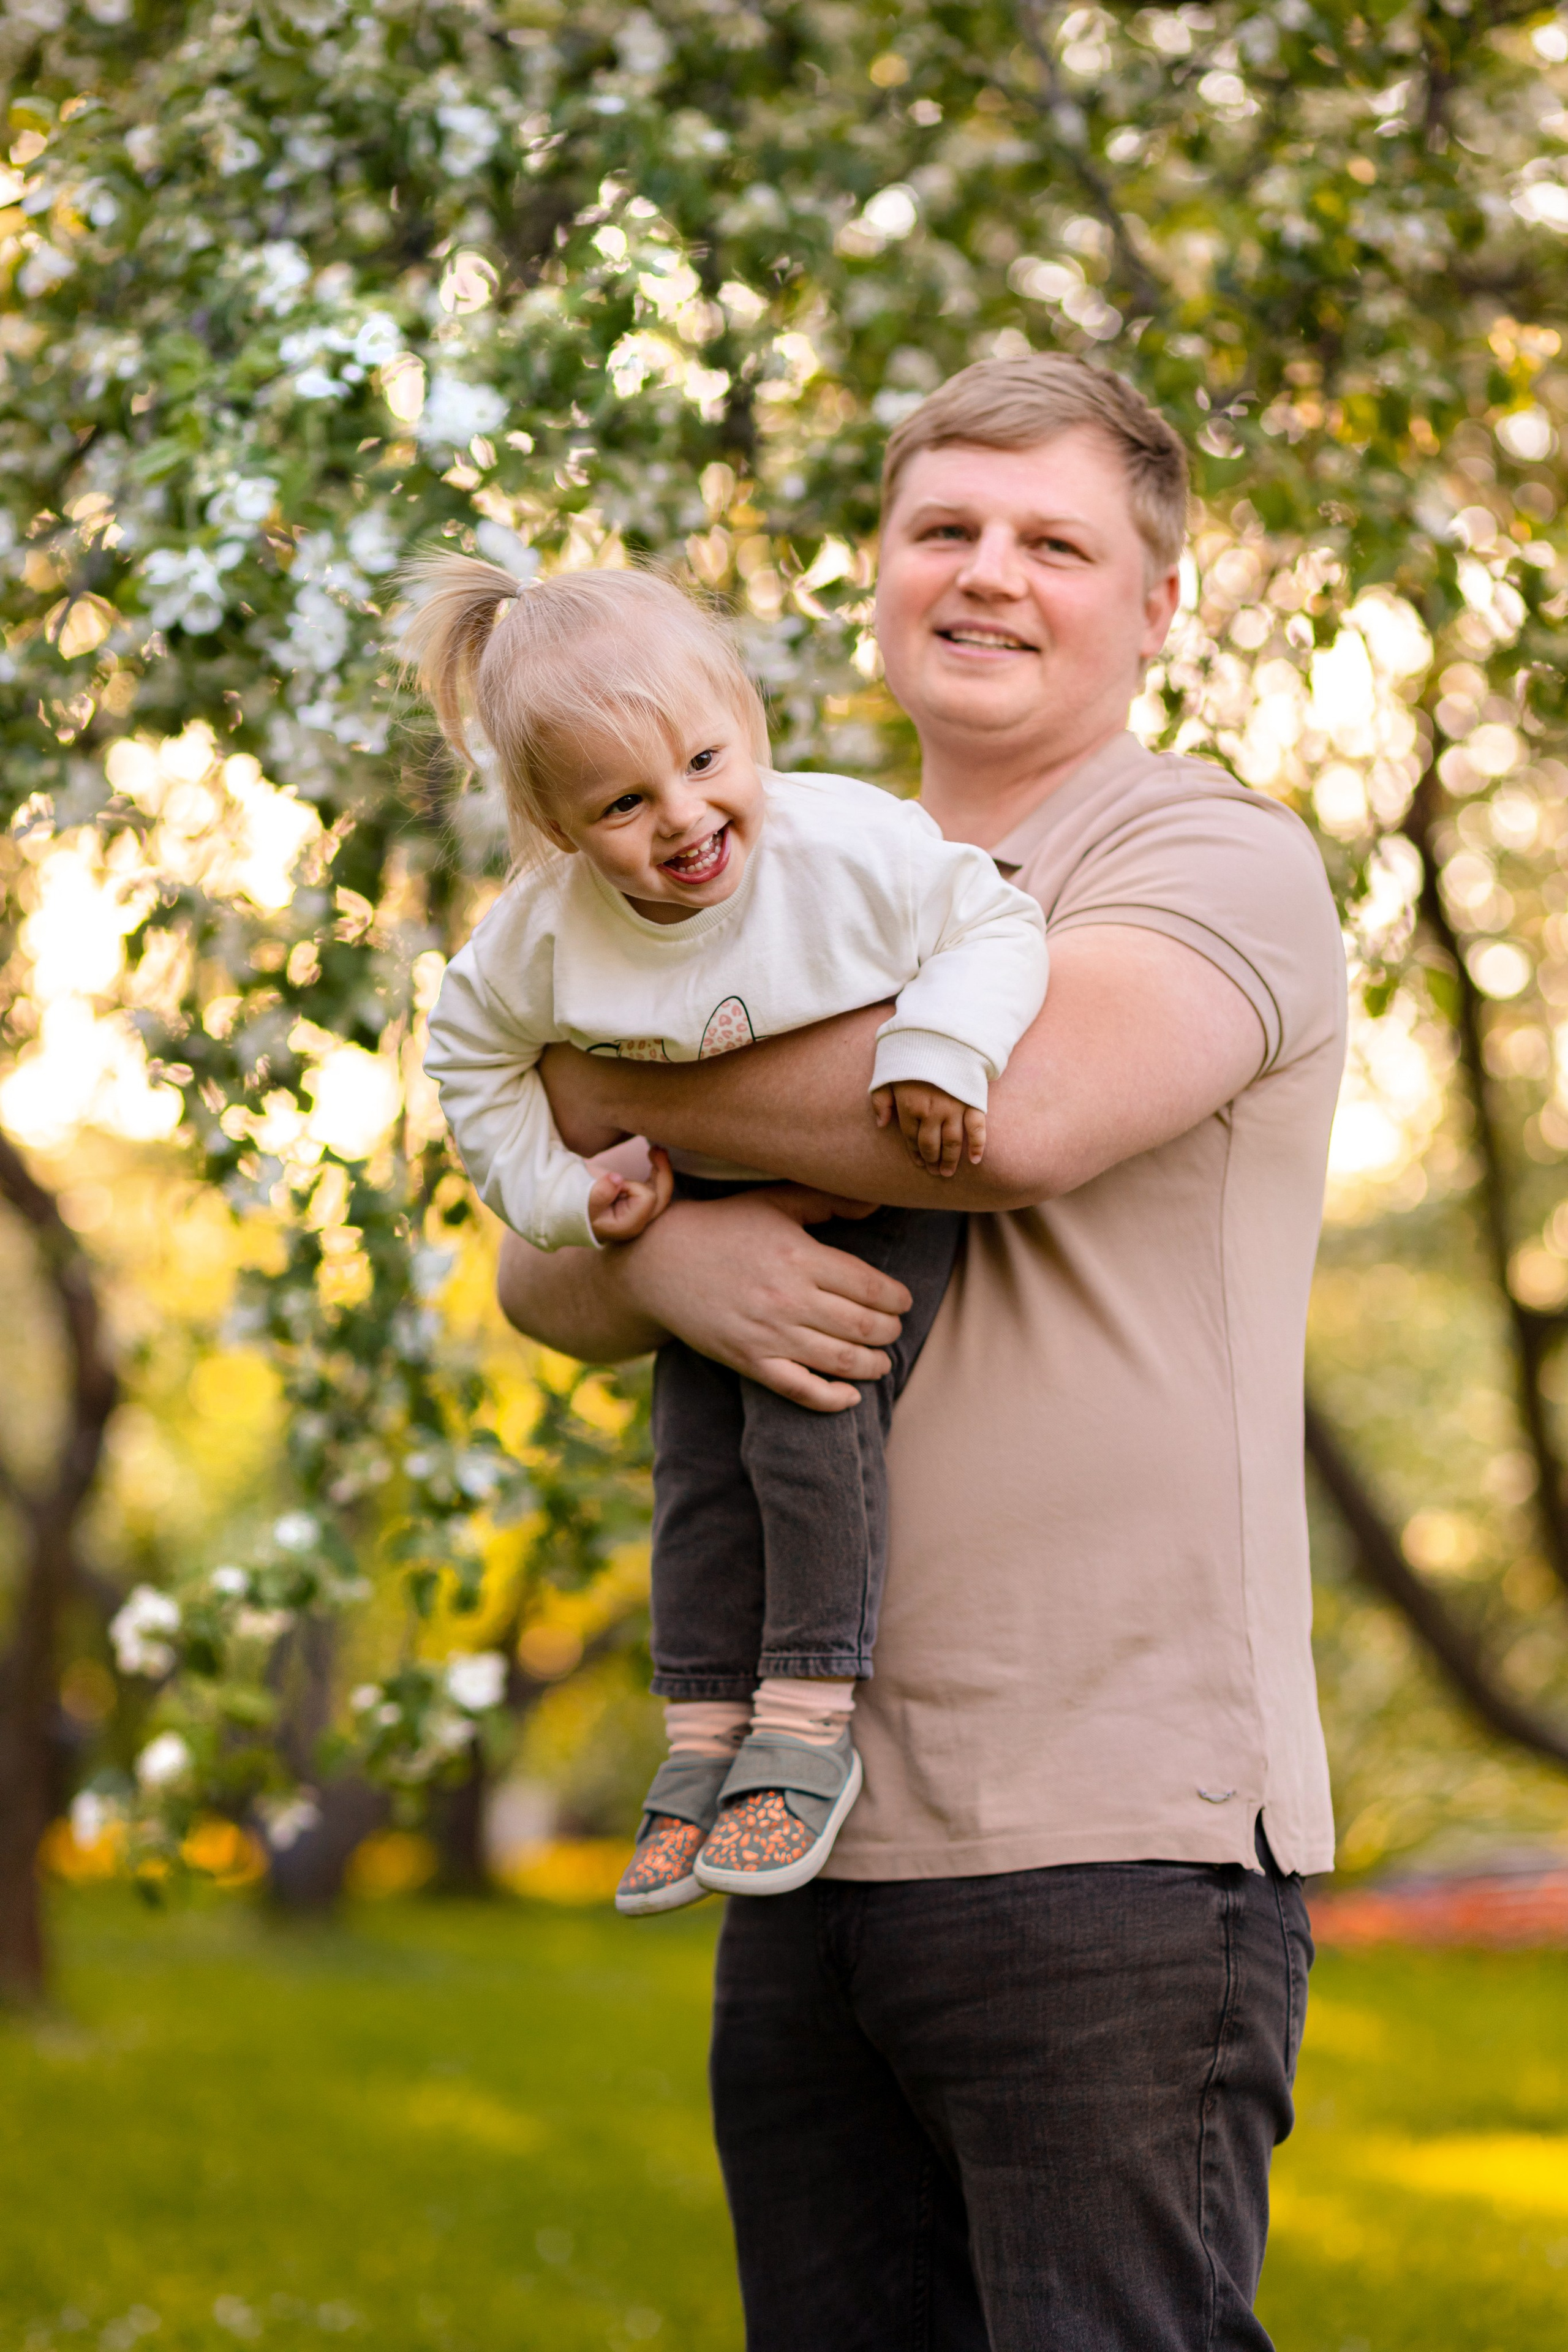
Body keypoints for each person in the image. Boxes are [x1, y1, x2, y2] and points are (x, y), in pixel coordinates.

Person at [494, 355, 1347, 2350]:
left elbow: (1001, 1116)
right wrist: (682, 1263)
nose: (987, 574)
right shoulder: (744, 873)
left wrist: (613, 1094)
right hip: (803, 1827)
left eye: (1056, 543)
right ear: (874, 573)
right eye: (943, 528)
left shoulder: (1206, 855)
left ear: (1158, 603)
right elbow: (539, 1277)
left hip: (1111, 1836)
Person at [406, 561, 1047, 1916]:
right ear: (556, 827)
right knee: (695, 1460)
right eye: (623, 804)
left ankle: (804, 1724)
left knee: (802, 1419)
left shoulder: (849, 847)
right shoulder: (539, 938)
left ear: (746, 726)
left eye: (704, 763)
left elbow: (992, 919)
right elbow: (468, 1058)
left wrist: (939, 1050)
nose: (685, 818)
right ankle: (703, 1734)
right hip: (698, 1211)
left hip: (870, 1191)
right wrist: (565, 1198)